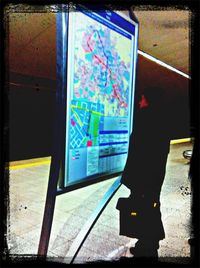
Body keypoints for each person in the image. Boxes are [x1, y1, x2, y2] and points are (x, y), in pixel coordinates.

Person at [120, 87, 171, 258]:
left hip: (143, 178)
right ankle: (149, 242)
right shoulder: (162, 121)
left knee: (144, 210)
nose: (140, 102)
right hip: (155, 176)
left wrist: (129, 178)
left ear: (149, 101)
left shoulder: (147, 121)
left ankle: (146, 249)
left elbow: (138, 154)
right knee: (151, 207)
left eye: (142, 99)